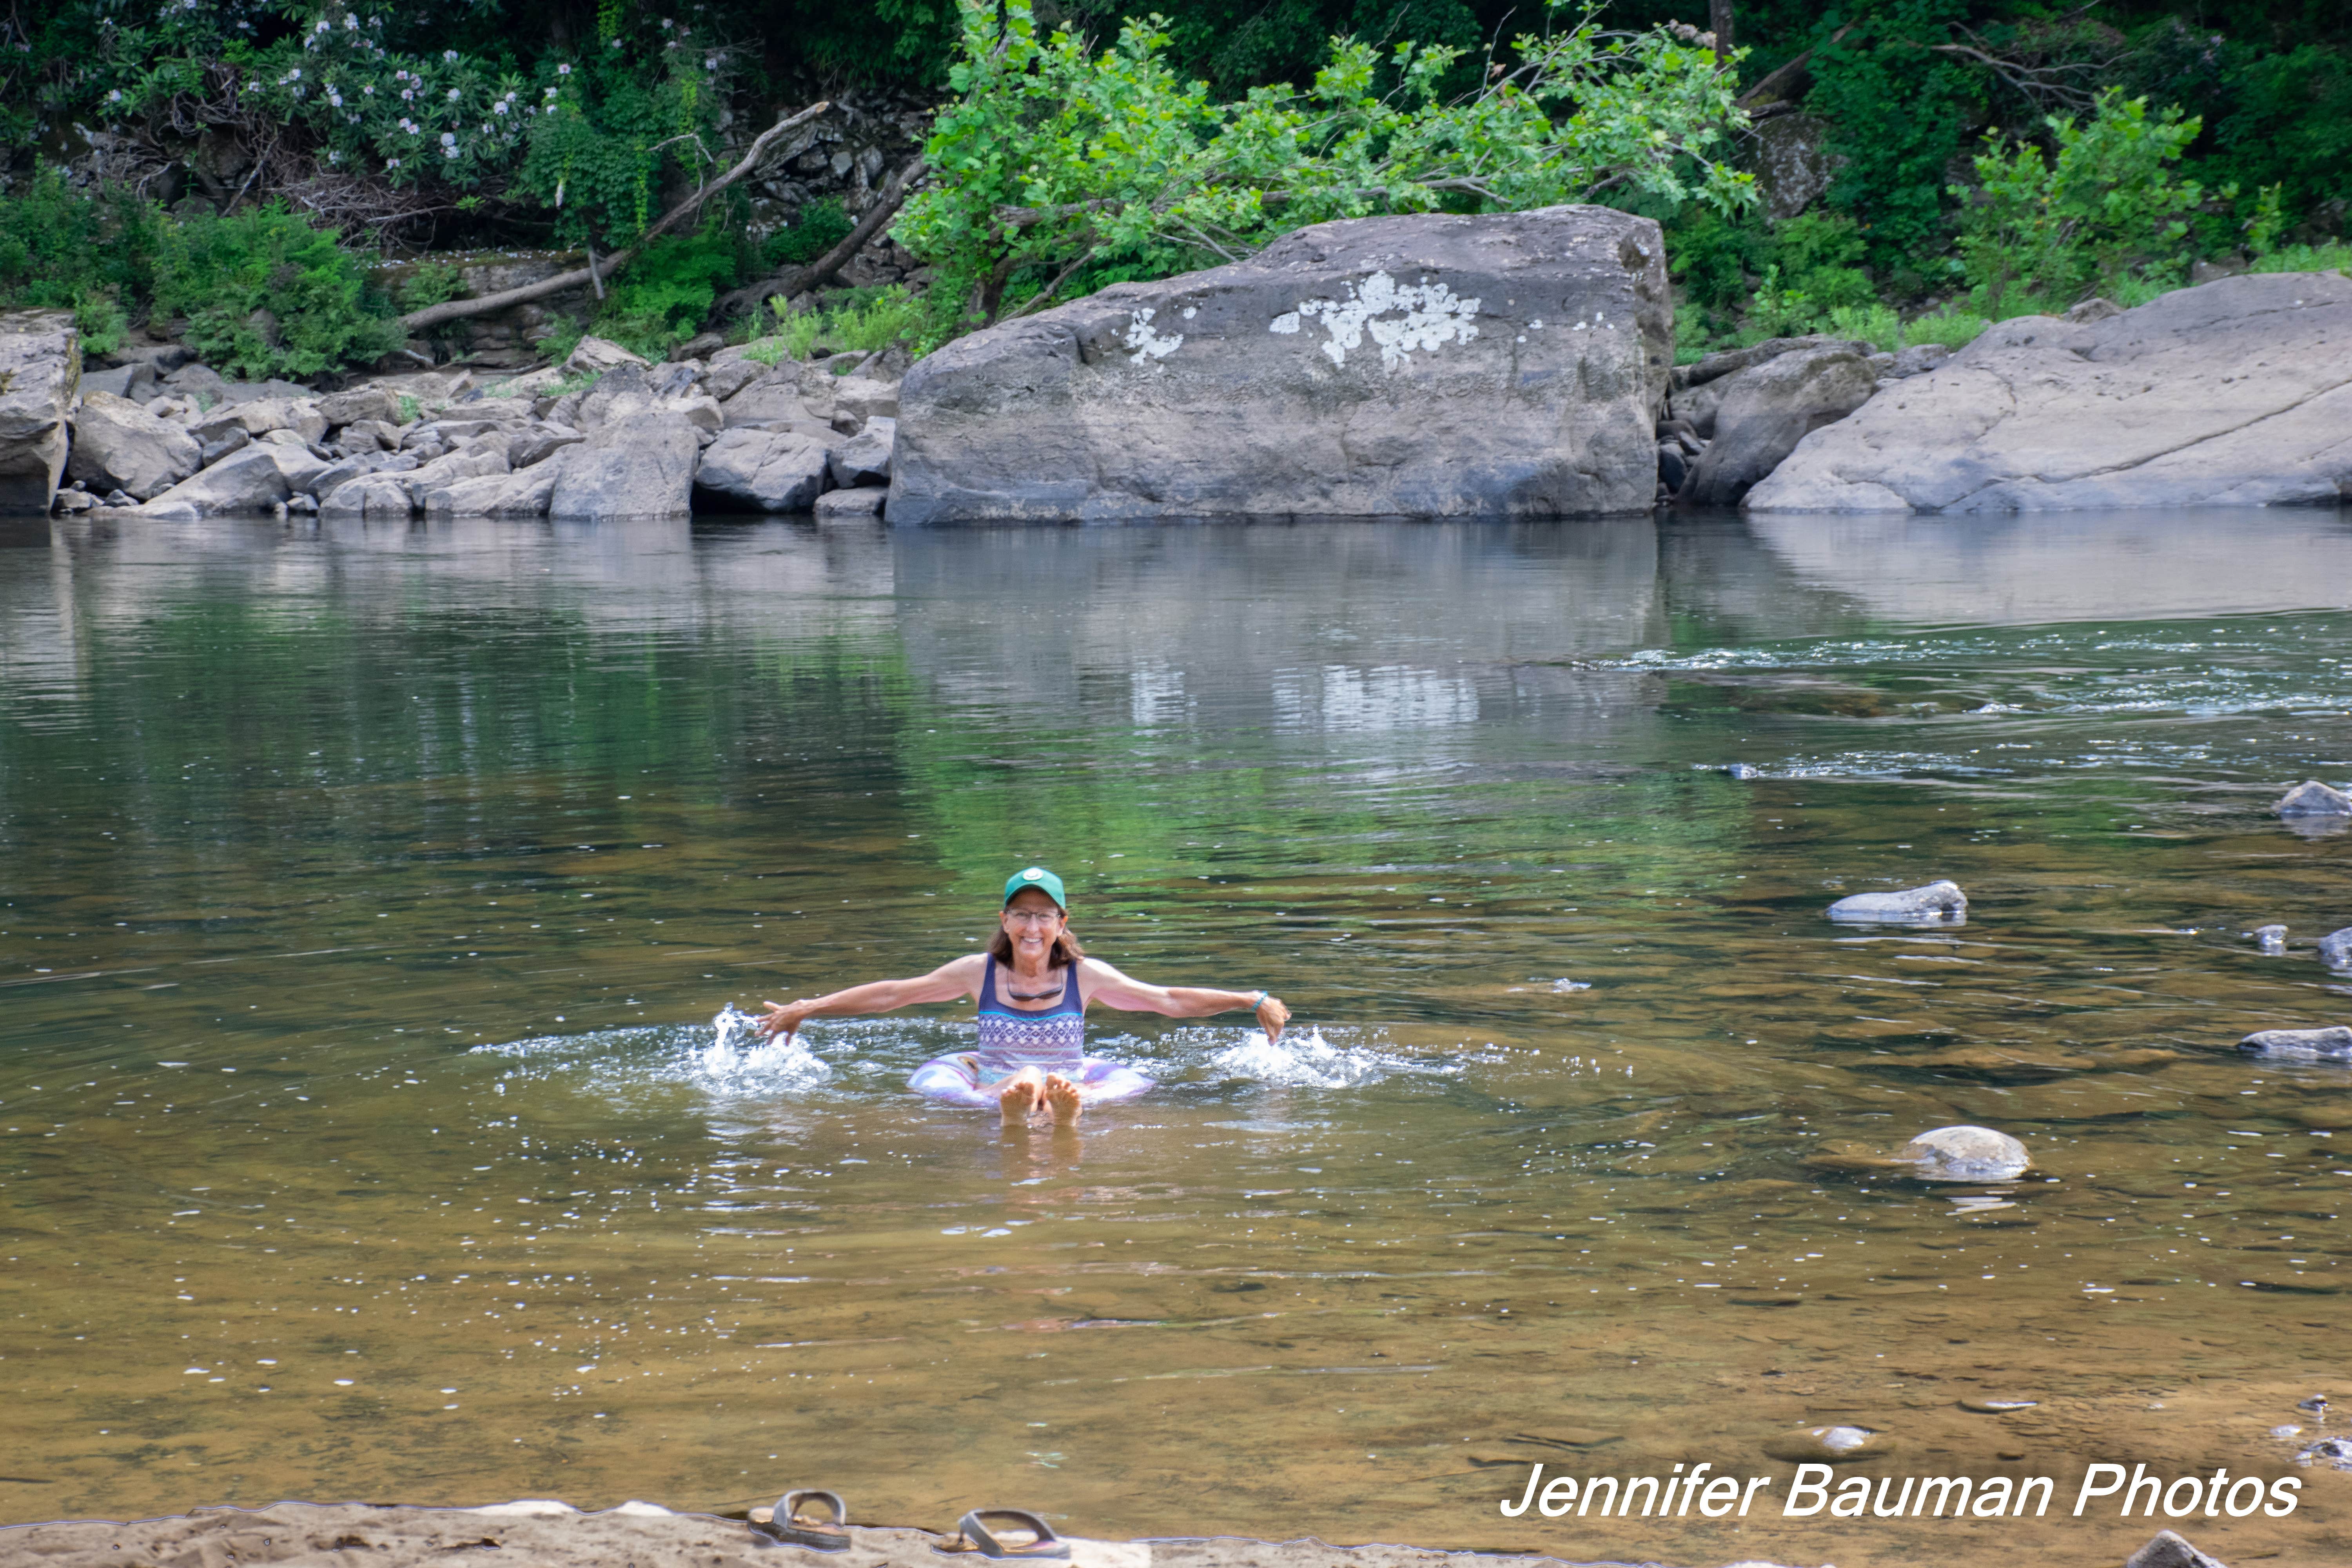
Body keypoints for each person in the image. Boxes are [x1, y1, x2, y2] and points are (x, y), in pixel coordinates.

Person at [757, 866, 1290, 1127]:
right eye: (1021, 915)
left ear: (1062, 922)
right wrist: (809, 1007)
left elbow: (1167, 1000)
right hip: (992, 1081)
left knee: (1045, 1081)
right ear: (1005, 919)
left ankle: (1044, 1107)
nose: (1032, 927)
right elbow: (895, 995)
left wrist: (1250, 999)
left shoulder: (1085, 976)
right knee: (1029, 1079)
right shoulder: (978, 971)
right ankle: (1033, 1108)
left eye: (1043, 916)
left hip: (1068, 1080)